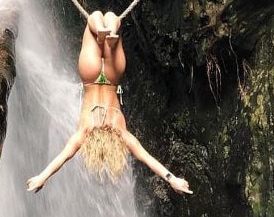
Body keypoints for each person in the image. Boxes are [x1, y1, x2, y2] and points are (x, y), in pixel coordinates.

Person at [26, 11, 193, 195]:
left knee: (113, 18)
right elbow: (63, 156)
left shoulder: (120, 134)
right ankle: (102, 32)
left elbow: (146, 158)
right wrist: (42, 176)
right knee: (94, 17)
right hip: (91, 76)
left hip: (112, 77)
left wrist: (173, 179)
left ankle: (109, 32)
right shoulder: (86, 133)